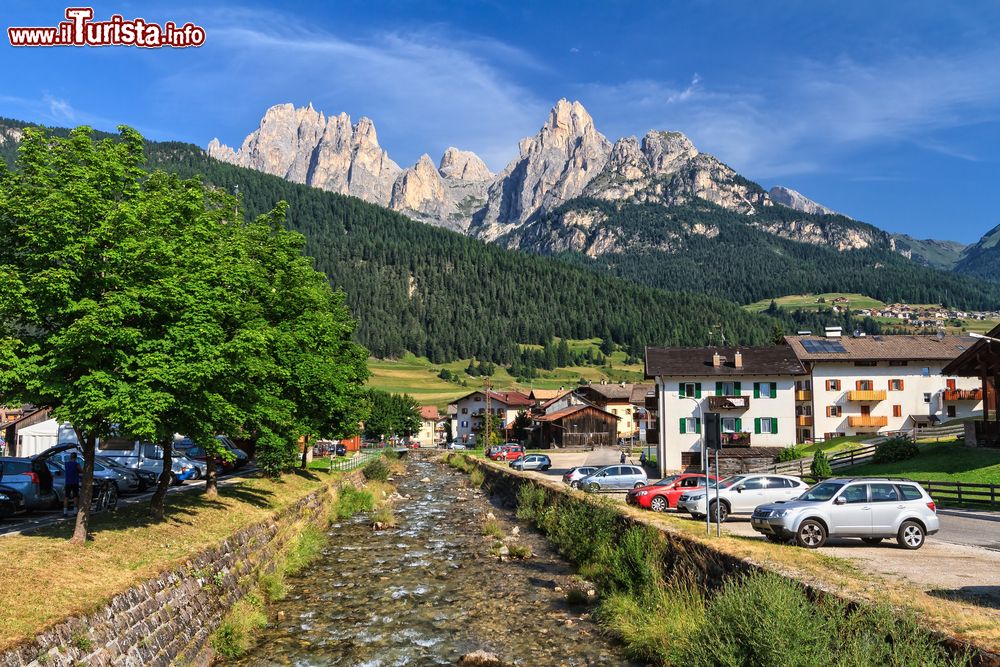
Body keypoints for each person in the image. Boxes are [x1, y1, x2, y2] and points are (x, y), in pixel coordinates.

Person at [63, 452, 81, 518]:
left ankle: (65, 512)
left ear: (70, 457)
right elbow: (81, 471)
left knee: (66, 497)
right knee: (75, 497)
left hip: (67, 482)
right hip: (75, 482)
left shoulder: (66, 464)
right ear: (76, 457)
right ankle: (75, 512)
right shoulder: (77, 464)